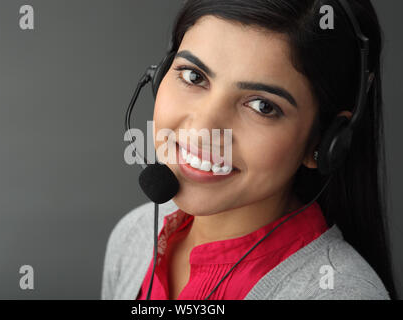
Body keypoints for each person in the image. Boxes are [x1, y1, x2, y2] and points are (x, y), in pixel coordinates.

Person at [102, 0, 396, 300]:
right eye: (194, 76)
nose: (204, 129)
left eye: (262, 106)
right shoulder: (135, 237)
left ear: (326, 141)